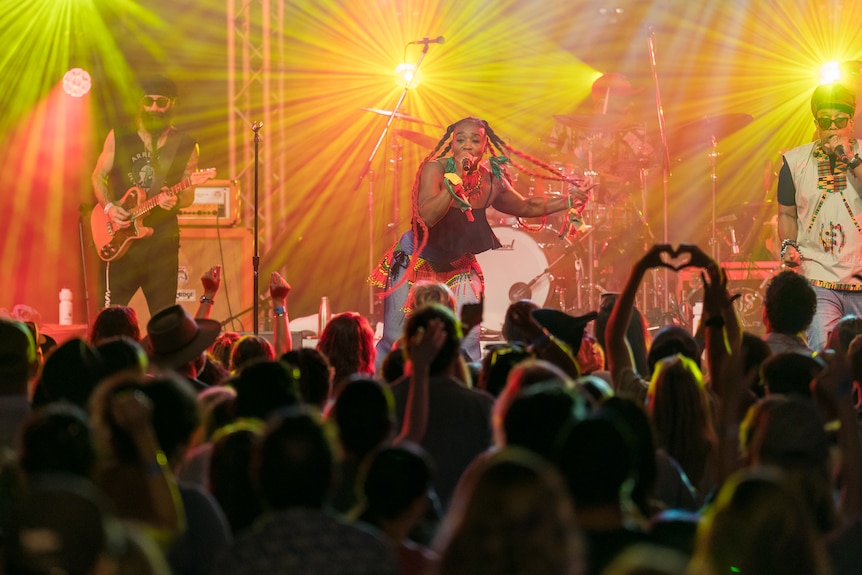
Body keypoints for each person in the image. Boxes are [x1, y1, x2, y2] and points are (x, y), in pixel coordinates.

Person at [369, 116, 594, 362]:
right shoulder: (435, 168)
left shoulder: (491, 179)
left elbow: (526, 206)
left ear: (484, 146)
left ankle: (469, 390)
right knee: (396, 338)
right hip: (415, 259)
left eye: (475, 140)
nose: (467, 145)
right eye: (460, 139)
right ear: (452, 144)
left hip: (459, 266)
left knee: (468, 340)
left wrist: (566, 201)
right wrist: (452, 187)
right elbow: (427, 216)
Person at [92, 74, 200, 316]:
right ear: (140, 103)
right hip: (118, 240)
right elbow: (98, 176)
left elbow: (189, 193)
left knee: (164, 319)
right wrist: (109, 208)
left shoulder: (186, 145)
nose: (154, 108)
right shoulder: (119, 136)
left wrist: (176, 200)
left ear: (173, 104)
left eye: (161, 102)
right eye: (148, 101)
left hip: (161, 244)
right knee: (109, 317)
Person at [778, 81, 862, 352]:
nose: (833, 128)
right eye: (825, 121)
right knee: (825, 355)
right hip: (818, 278)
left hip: (860, 274)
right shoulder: (794, 163)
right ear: (816, 124)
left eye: (840, 121)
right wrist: (788, 244)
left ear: (851, 122)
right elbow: (786, 213)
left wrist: (851, 160)